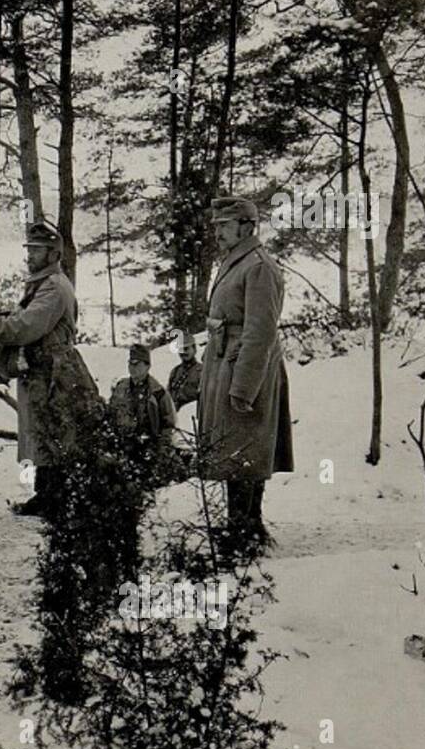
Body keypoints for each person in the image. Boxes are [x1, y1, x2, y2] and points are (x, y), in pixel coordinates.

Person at [0, 220, 102, 516]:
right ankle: (46, 494)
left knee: (51, 432)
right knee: (41, 432)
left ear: (53, 254)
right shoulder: (44, 284)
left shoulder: (54, 287)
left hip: (54, 373)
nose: (29, 256)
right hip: (41, 370)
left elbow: (24, 327)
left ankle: (54, 497)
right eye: (29, 250)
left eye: (37, 250)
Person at [197, 195, 294, 546]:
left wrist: (243, 386)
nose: (218, 233)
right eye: (216, 226)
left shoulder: (259, 267)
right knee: (233, 449)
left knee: (246, 451)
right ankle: (242, 526)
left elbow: (260, 331)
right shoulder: (235, 263)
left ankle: (246, 529)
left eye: (224, 226)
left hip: (245, 367)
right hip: (226, 362)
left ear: (247, 226)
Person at [110, 343, 176, 469]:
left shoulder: (158, 393)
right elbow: (112, 414)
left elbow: (169, 426)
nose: (132, 367)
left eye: (137, 364)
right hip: (123, 448)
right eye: (130, 363)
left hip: (149, 450)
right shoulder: (120, 388)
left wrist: (160, 451)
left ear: (147, 366)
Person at [168, 333, 203, 407]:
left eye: (186, 349)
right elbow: (167, 397)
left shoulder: (202, 371)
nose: (183, 352)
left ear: (194, 349)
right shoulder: (175, 372)